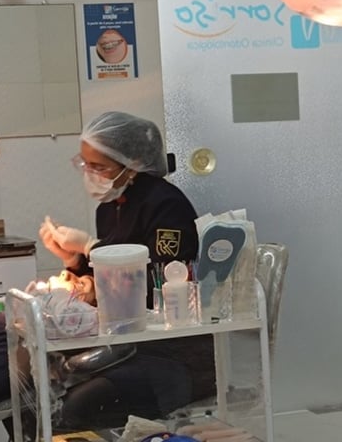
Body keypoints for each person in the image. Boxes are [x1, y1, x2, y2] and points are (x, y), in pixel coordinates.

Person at [38, 111, 216, 431]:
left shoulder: (166, 206)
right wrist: (74, 263)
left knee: (77, 403)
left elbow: (159, 283)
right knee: (37, 383)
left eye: (99, 167)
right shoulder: (109, 208)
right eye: (85, 164)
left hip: (171, 353)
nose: (90, 174)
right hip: (127, 344)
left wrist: (91, 247)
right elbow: (109, 284)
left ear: (132, 164)